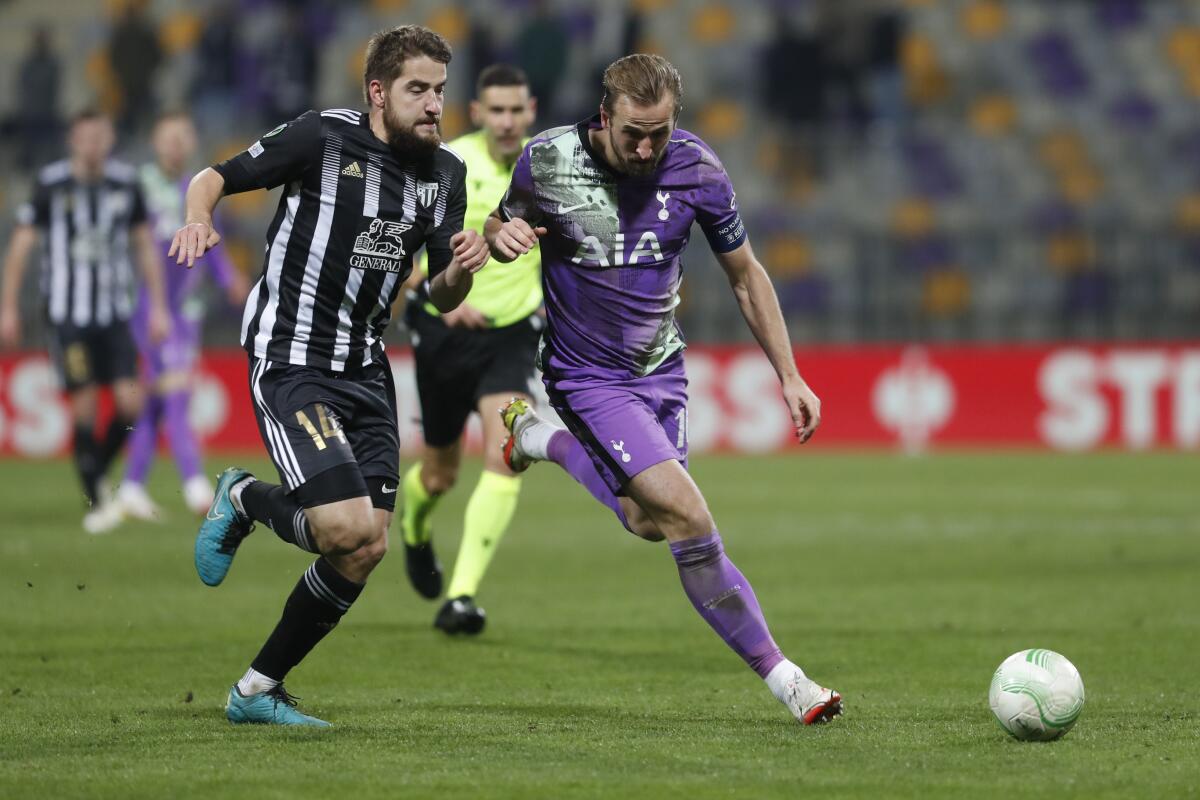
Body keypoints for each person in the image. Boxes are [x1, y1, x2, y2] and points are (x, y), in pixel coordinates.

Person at [484, 54, 842, 725]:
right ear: (604, 115)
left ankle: (536, 437)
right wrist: (499, 236)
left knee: (647, 520)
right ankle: (788, 680)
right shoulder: (547, 160)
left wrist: (789, 374)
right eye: (632, 134)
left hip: (661, 371)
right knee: (689, 516)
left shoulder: (697, 167)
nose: (647, 148)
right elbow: (498, 224)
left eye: (659, 132)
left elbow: (745, 275)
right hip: (585, 375)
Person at [170, 25, 487, 727]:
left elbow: (439, 296)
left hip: (366, 368)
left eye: (440, 90)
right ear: (377, 92)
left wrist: (465, 266)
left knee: (366, 544)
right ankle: (247, 497)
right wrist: (199, 218)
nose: (434, 104)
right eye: (417, 90)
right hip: (293, 357)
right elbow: (214, 177)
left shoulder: (446, 176)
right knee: (342, 525)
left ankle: (255, 690)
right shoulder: (322, 136)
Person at [399, 64, 541, 634]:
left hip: (511, 333)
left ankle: (460, 596)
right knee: (438, 475)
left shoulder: (547, 168)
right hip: (442, 329)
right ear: (478, 114)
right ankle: (413, 523)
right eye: (496, 111)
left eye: (517, 110)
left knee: (508, 452)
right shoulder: (445, 164)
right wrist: (447, 299)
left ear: (530, 112)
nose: (507, 121)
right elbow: (399, 255)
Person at [0, 110, 169, 534]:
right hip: (67, 317)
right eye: (86, 137)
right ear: (74, 140)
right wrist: (8, 307)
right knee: (86, 404)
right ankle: (96, 497)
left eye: (100, 136)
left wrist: (160, 306)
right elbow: (20, 248)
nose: (93, 145)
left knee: (131, 404)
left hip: (114, 315)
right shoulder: (51, 184)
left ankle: (96, 476)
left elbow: (145, 245)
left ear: (109, 138)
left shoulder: (125, 184)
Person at [116, 112, 248, 521]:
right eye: (168, 136)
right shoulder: (139, 187)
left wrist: (228, 278)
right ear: (156, 142)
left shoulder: (200, 186)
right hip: (150, 307)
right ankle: (194, 486)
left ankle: (131, 488)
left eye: (182, 137)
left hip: (187, 309)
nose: (175, 144)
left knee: (158, 399)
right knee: (176, 391)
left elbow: (214, 244)